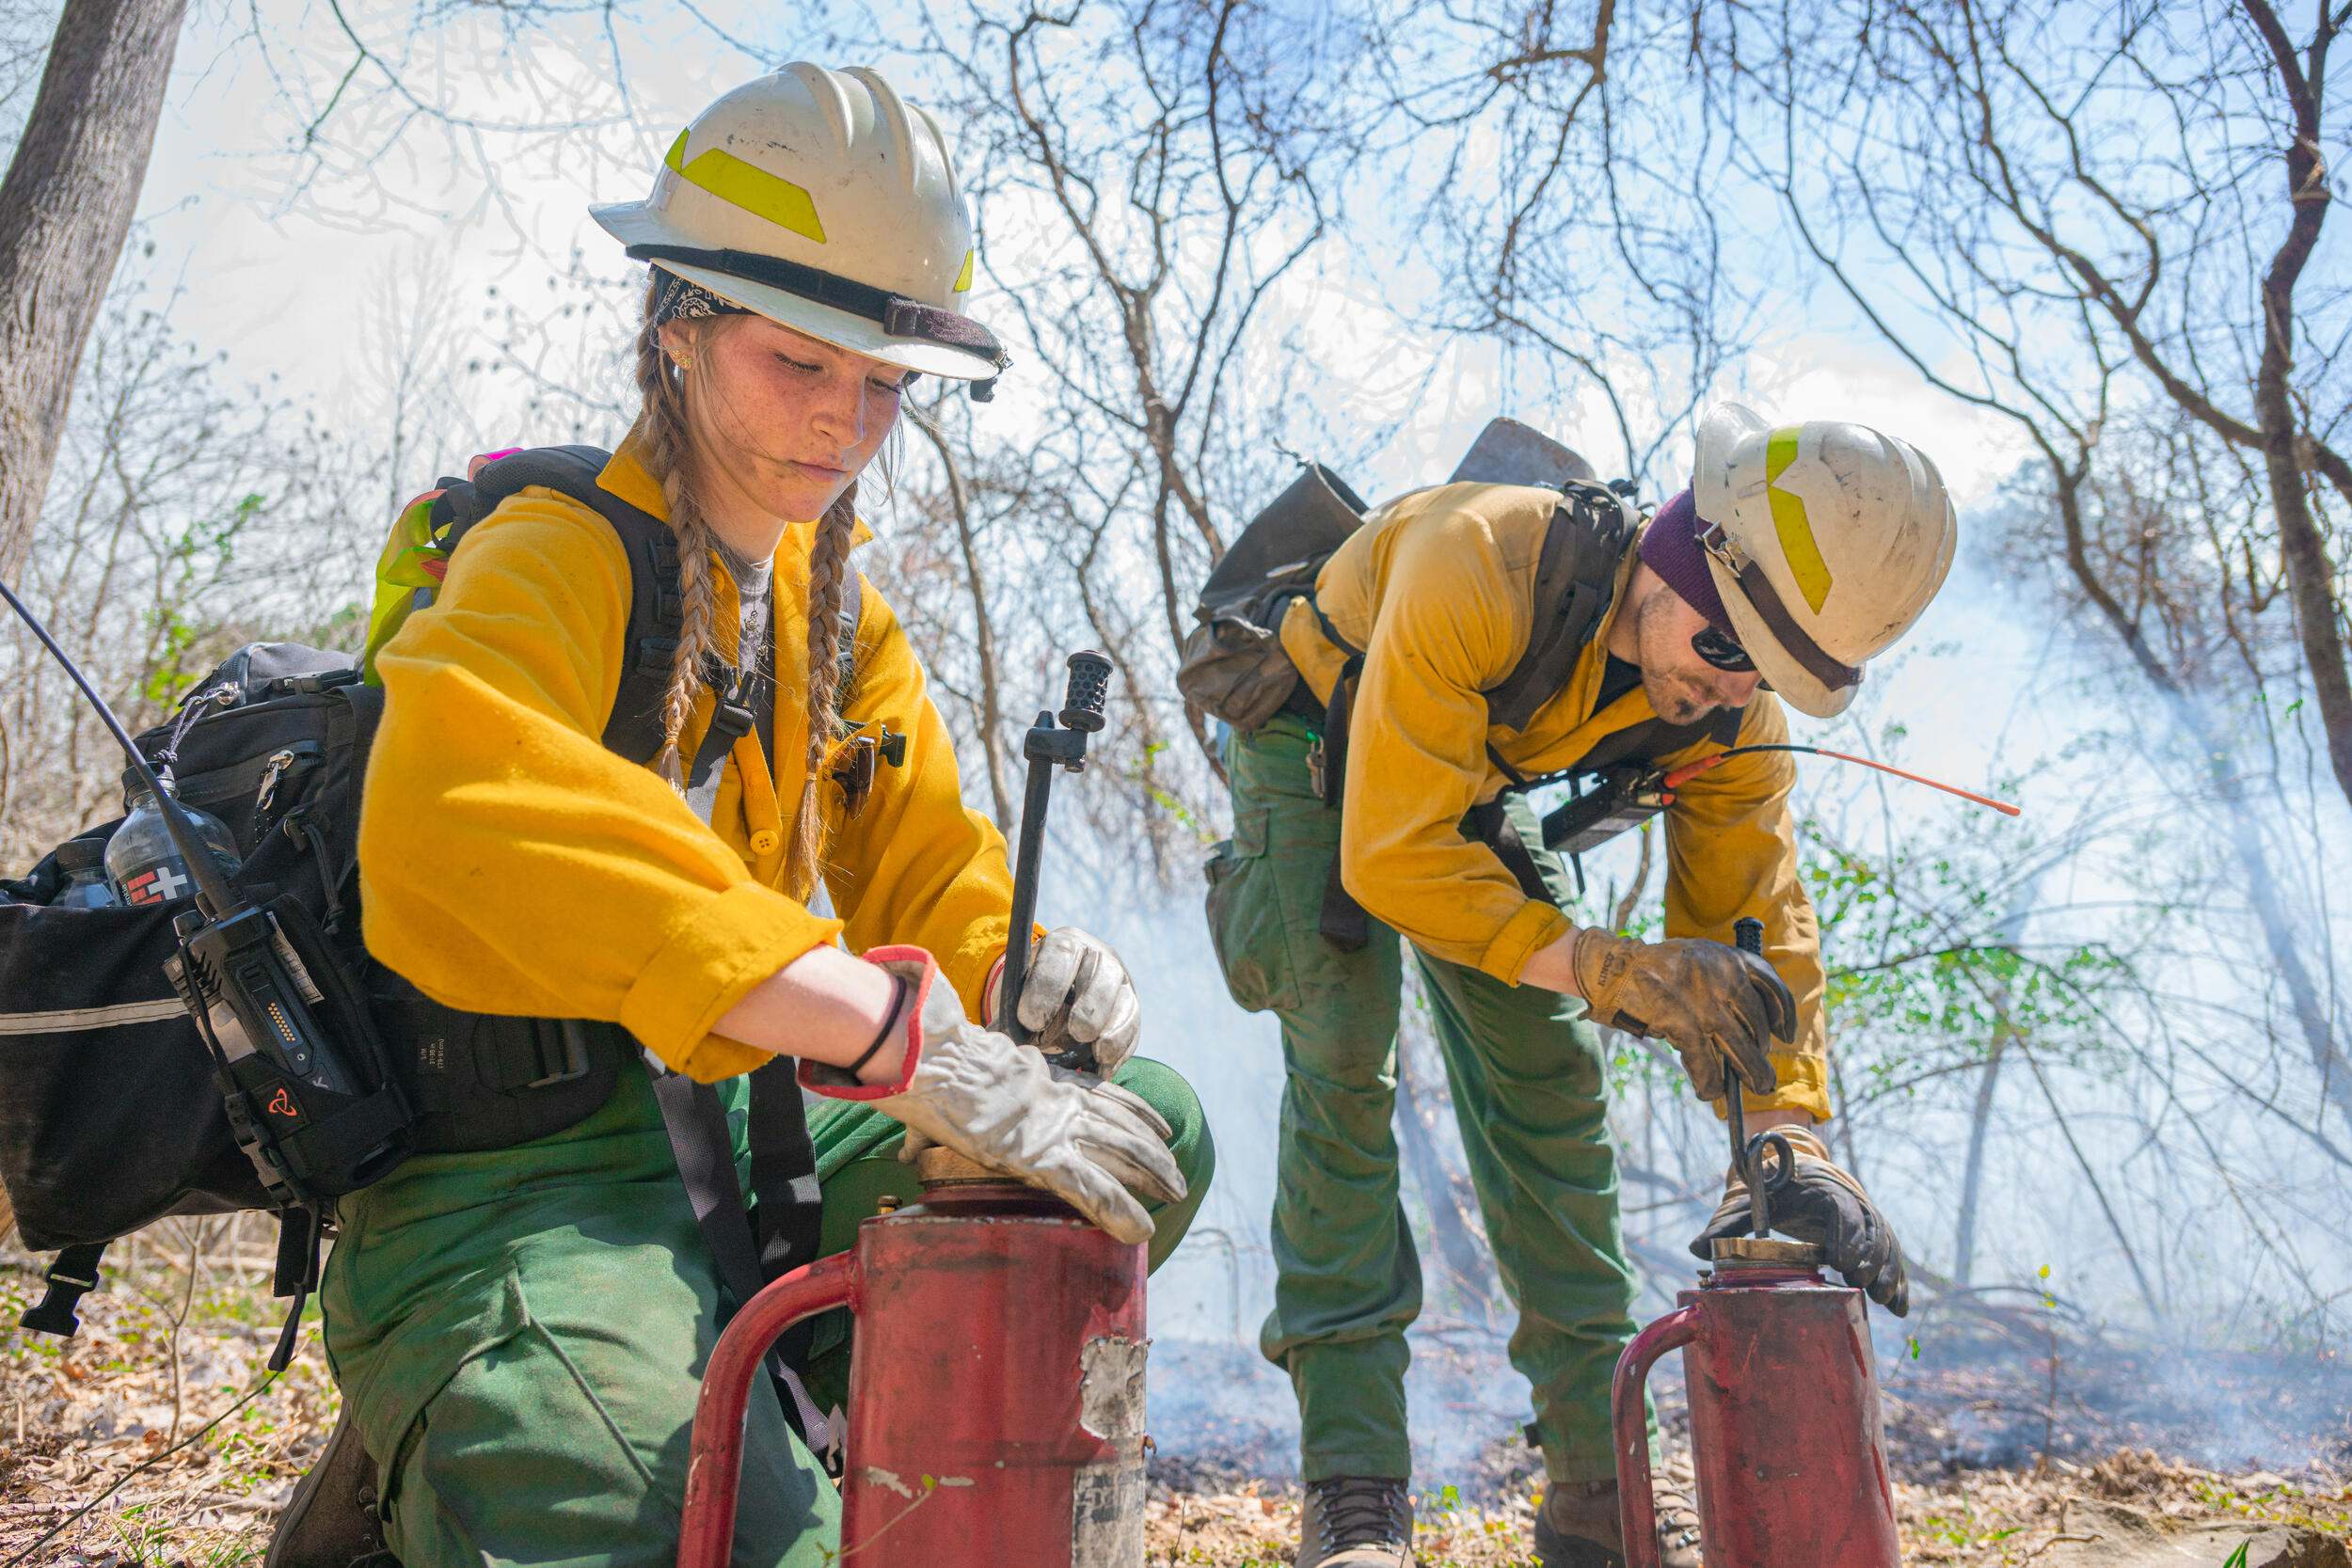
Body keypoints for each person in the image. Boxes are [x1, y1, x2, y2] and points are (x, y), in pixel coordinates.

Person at [273, 64, 1213, 1567]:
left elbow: (929, 863)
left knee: (1141, 1129)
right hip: (510, 1181)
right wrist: (884, 1028)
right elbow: (452, 809)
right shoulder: (553, 553)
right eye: (801, 365)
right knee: (713, 1545)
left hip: (731, 1148)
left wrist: (1009, 970)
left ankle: (729, 1425)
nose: (847, 425)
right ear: (683, 328)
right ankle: (502, 1406)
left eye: (886, 384)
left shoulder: (834, 616)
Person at [1203, 406, 1955, 1568]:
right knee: (1346, 1058)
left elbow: (1753, 904)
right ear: (1679, 549)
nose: (1730, 686)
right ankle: (1354, 1494)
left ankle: (1602, 1489)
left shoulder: (1725, 704)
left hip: (1466, 773)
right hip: (1316, 744)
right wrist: (1608, 967)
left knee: (1549, 1086)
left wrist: (1789, 1139)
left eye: (1764, 670)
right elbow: (1395, 851)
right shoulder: (1479, 554)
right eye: (1721, 647)